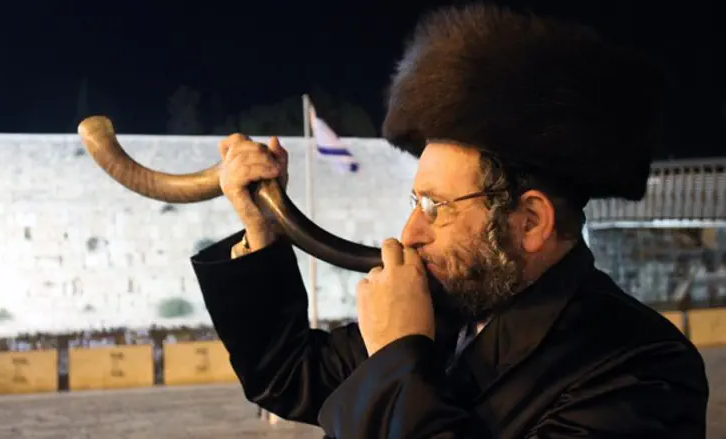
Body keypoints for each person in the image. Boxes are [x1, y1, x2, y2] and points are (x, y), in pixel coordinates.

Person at [191, 3, 709, 438]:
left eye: (436, 207)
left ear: (530, 221)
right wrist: (262, 226)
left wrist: (397, 358)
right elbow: (287, 376)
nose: (409, 233)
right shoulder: (446, 308)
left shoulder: (644, 369)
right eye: (415, 202)